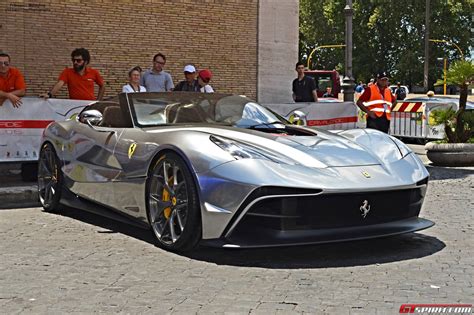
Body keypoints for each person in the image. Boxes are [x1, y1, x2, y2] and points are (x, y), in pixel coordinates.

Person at [41, 48, 105, 100]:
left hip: (89, 106)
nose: (75, 62)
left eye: (78, 60)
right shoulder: (67, 72)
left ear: (86, 62)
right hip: (74, 106)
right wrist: (49, 95)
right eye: (73, 60)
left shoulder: (94, 72)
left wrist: (98, 101)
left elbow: (102, 86)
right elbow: (59, 84)